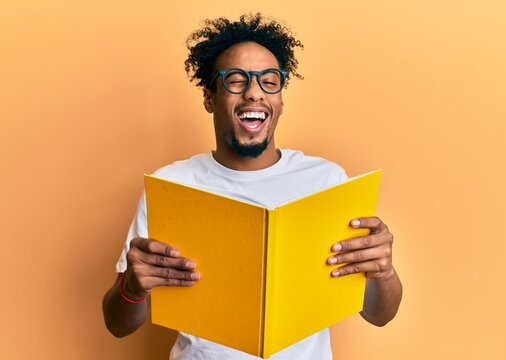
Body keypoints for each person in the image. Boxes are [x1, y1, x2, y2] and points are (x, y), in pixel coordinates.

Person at [102, 13, 402, 360]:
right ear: (210, 98)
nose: (254, 93)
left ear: (280, 102)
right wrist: (132, 286)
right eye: (235, 80)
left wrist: (384, 271)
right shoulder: (170, 186)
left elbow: (380, 315)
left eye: (269, 81)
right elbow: (117, 324)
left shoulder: (327, 182)